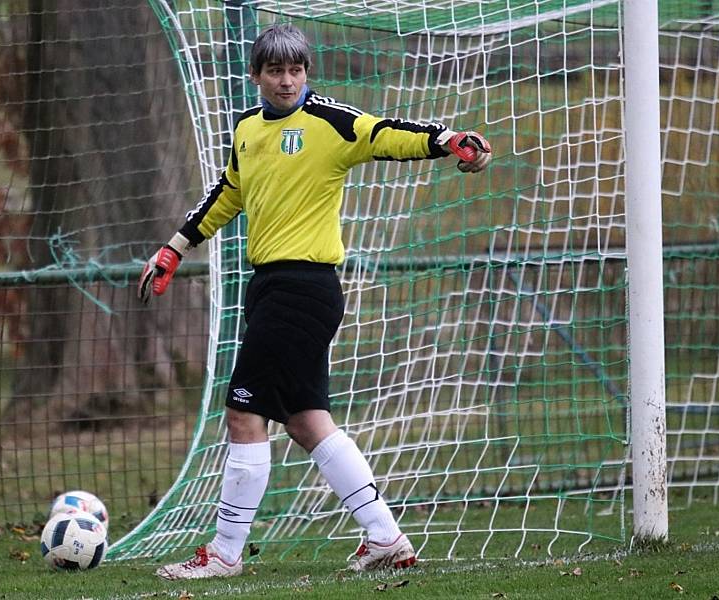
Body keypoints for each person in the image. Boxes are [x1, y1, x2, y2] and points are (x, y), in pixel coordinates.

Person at [138, 23, 491, 581]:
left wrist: (446, 140)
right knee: (306, 421)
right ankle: (385, 538)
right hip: (271, 288)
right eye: (275, 70)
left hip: (305, 288)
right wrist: (174, 249)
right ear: (256, 76)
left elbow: (388, 134)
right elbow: (228, 192)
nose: (287, 80)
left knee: (243, 413)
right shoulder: (248, 129)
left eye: (296, 69)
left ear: (306, 71)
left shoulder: (329, 121)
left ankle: (225, 552)